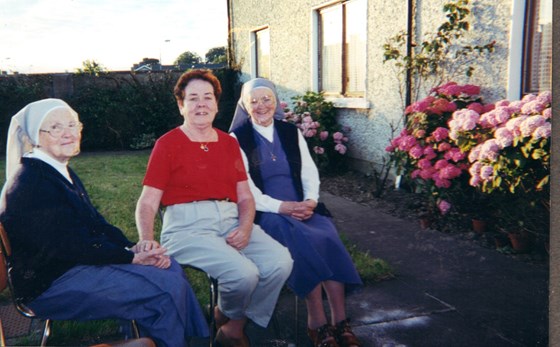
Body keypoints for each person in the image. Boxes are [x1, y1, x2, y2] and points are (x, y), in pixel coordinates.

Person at [0, 98, 209, 347]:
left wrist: (132, 247)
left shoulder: (55, 168)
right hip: (50, 285)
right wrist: (129, 258)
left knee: (168, 268)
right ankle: (189, 338)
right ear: (36, 135)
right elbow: (70, 246)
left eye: (73, 125)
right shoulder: (32, 183)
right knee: (160, 291)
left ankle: (184, 337)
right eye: (55, 128)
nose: (68, 134)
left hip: (74, 267)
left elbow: (94, 223)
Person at [135, 70, 293, 347]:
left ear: (217, 104)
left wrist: (245, 227)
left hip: (231, 220)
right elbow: (148, 201)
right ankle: (231, 318)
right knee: (244, 274)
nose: (201, 104)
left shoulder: (229, 143)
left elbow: (245, 197)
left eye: (208, 97)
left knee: (281, 262)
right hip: (187, 228)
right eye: (192, 98)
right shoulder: (168, 144)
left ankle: (232, 323)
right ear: (181, 105)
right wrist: (147, 239)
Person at [229, 78, 363, 347]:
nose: (261, 105)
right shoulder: (236, 139)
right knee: (301, 241)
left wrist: (311, 201)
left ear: (276, 101)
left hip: (302, 206)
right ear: (244, 105)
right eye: (253, 101)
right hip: (266, 212)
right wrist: (283, 207)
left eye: (266, 99)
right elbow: (247, 191)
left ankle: (340, 320)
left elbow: (309, 172)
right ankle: (317, 321)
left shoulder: (291, 132)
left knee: (327, 237)